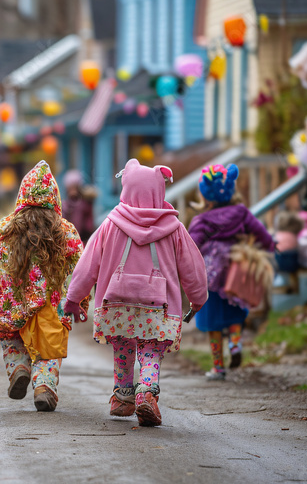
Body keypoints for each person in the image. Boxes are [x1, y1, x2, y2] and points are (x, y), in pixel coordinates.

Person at [66, 159, 207, 427]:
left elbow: (89, 264)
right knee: (151, 348)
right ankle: (146, 391)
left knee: (123, 346)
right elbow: (192, 267)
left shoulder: (110, 224)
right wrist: (198, 299)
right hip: (159, 304)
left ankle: (122, 396)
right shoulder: (174, 229)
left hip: (116, 300)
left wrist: (74, 298)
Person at [0, 161, 84, 412]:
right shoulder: (66, 231)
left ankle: (18, 368)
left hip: (11, 303)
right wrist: (79, 300)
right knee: (48, 350)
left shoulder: (5, 229)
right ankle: (44, 386)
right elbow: (81, 268)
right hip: (50, 306)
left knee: (10, 338)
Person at [187, 164, 274, 381]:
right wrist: (271, 246)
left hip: (211, 276)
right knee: (235, 312)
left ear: (205, 196)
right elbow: (260, 232)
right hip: (236, 269)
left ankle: (218, 367)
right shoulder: (241, 212)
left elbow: (191, 246)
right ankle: (235, 344)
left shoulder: (201, 220)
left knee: (212, 321)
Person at [62, 170, 96, 242]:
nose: (72, 191)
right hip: (72, 240)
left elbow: (87, 226)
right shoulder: (66, 204)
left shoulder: (84, 203)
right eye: (70, 188)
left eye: (74, 187)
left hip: (83, 240)